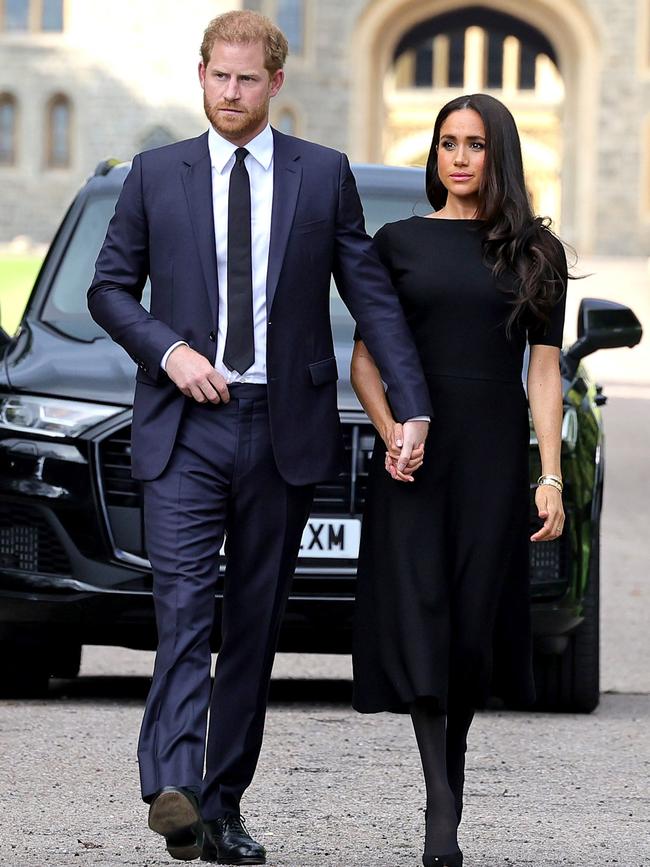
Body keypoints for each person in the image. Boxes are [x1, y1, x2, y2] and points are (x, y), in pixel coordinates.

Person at [88, 10, 432, 866]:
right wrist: (169, 352)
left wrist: (412, 402)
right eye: (218, 77)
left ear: (276, 83)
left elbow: (371, 296)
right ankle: (172, 784)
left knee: (252, 625)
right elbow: (108, 289)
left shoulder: (322, 177)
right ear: (199, 75)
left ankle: (222, 804)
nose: (231, 93)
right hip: (186, 426)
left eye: (247, 80)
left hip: (284, 428)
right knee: (183, 608)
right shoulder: (152, 175)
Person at [351, 93, 567, 867]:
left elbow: (546, 372)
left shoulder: (537, 251)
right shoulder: (398, 242)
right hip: (418, 458)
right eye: (448, 143)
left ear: (498, 153)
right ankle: (441, 806)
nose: (460, 157)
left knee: (471, 624)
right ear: (435, 154)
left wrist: (550, 475)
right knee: (422, 614)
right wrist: (389, 435)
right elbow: (367, 358)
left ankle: (451, 780)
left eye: (475, 144)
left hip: (491, 458)